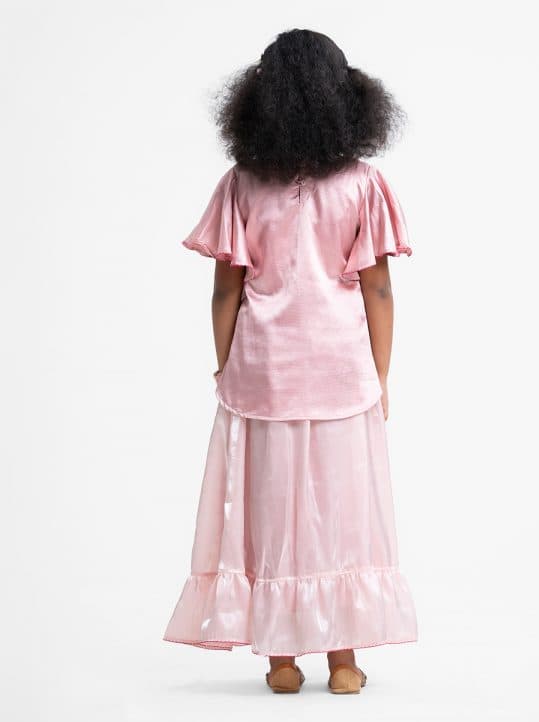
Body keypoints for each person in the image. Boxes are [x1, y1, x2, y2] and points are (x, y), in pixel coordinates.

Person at [163, 28, 418, 695]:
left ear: (261, 99)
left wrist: (225, 365)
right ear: (346, 96)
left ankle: (280, 660)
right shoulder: (364, 184)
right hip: (341, 372)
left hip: (265, 374)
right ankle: (344, 660)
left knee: (271, 512)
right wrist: (381, 374)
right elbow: (379, 289)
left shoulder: (241, 184)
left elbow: (226, 290)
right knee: (344, 513)